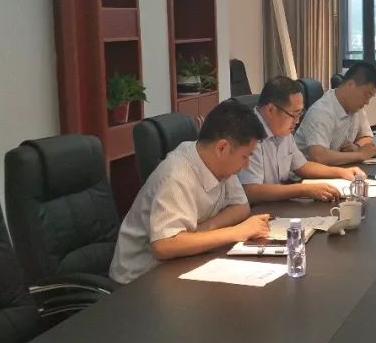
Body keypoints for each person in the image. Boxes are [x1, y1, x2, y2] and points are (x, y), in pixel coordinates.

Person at [108, 100, 271, 284]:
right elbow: (164, 245)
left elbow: (240, 207)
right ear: (222, 148)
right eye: (245, 156)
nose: (246, 165)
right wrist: (236, 232)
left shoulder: (219, 163)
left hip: (184, 263)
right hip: (140, 279)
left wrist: (204, 230)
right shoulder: (177, 175)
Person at [240, 76, 366, 204]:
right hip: (256, 209)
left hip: (277, 203)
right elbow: (251, 191)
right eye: (294, 114)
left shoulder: (281, 128)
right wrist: (304, 190)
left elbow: (302, 166)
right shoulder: (248, 134)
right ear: (270, 110)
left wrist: (341, 172)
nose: (297, 121)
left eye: (300, 113)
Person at [296, 62, 376, 165]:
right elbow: (319, 156)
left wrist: (357, 147)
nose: (367, 102)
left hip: (336, 167)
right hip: (306, 172)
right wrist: (360, 154)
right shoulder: (322, 112)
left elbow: (367, 137)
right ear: (350, 85)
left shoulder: (356, 107)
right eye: (366, 95)